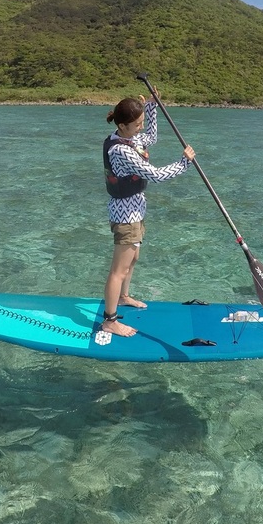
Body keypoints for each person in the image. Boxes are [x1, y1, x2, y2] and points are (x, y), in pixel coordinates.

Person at [102, 87, 195, 337]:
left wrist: (152, 107)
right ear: (122, 126)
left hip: (136, 209)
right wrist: (184, 162)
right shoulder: (120, 150)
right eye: (137, 124)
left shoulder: (129, 137)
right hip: (125, 216)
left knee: (133, 259)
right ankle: (110, 320)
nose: (140, 128)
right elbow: (155, 175)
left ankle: (123, 297)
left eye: (141, 122)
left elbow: (151, 138)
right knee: (118, 270)